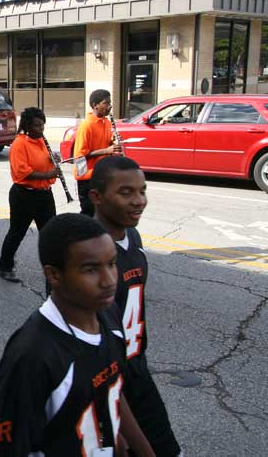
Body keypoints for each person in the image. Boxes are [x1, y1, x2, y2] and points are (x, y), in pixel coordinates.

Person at [0, 213, 155, 456]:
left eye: (111, 264)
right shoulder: (32, 355)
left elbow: (111, 391)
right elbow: (9, 447)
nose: (109, 281)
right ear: (54, 275)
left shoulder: (108, 315)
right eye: (90, 270)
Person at [91, 156, 182, 456]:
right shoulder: (85, 255)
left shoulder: (132, 235)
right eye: (126, 192)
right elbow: (91, 349)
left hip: (136, 368)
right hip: (107, 379)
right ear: (97, 197)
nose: (139, 201)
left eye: (142, 191)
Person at [0, 107, 59, 284]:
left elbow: (42, 161)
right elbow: (22, 171)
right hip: (24, 195)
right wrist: (49, 174)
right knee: (17, 232)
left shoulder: (40, 140)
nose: (41, 129)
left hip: (44, 195)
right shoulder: (19, 143)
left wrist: (52, 159)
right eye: (37, 126)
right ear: (28, 126)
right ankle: (5, 266)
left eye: (42, 125)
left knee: (49, 233)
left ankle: (52, 267)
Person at [73, 89, 122, 217]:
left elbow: (105, 143)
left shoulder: (106, 122)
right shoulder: (86, 126)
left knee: (102, 214)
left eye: (110, 102)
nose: (110, 106)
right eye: (106, 103)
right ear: (95, 105)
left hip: (102, 174)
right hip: (87, 177)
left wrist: (113, 143)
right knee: (89, 214)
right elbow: (79, 156)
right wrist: (106, 150)